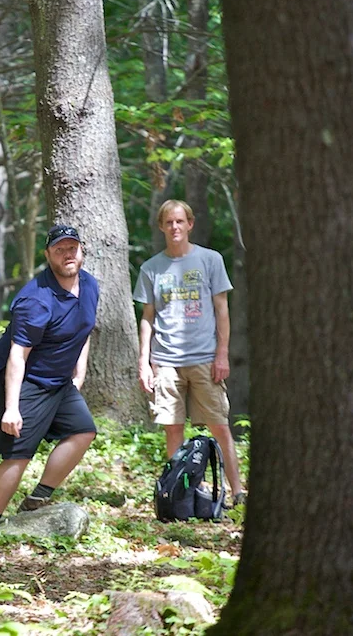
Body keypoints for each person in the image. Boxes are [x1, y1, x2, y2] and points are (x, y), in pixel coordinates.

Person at [0, 224, 99, 524]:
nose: (67, 255)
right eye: (59, 250)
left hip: (59, 380)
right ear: (48, 255)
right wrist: (11, 408)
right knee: (19, 452)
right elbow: (17, 357)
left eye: (72, 248)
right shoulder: (35, 300)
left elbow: (84, 329)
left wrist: (80, 370)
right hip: (25, 379)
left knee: (83, 431)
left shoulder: (90, 285)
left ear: (81, 251)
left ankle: (39, 497)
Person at [134, 199, 246, 504]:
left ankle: (237, 492)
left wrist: (221, 354)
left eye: (180, 221)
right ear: (161, 227)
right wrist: (144, 363)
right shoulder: (152, 268)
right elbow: (148, 318)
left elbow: (222, 310)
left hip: (204, 358)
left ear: (190, 224)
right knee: (173, 430)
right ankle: (179, 494)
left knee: (220, 427)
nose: (174, 227)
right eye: (168, 222)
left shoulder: (210, 260)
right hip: (166, 362)